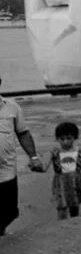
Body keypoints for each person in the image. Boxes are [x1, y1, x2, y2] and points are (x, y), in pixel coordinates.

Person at [0, 75, 44, 235]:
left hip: (6, 171)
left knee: (10, 211)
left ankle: (1, 231)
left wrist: (33, 157)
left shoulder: (12, 107)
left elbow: (23, 133)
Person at [45, 121, 81, 220]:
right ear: (57, 139)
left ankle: (73, 226)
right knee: (61, 207)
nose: (65, 142)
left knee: (75, 206)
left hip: (76, 182)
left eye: (69, 138)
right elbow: (45, 167)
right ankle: (61, 226)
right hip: (60, 183)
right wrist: (35, 164)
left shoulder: (80, 151)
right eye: (62, 139)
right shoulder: (54, 152)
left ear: (75, 138)